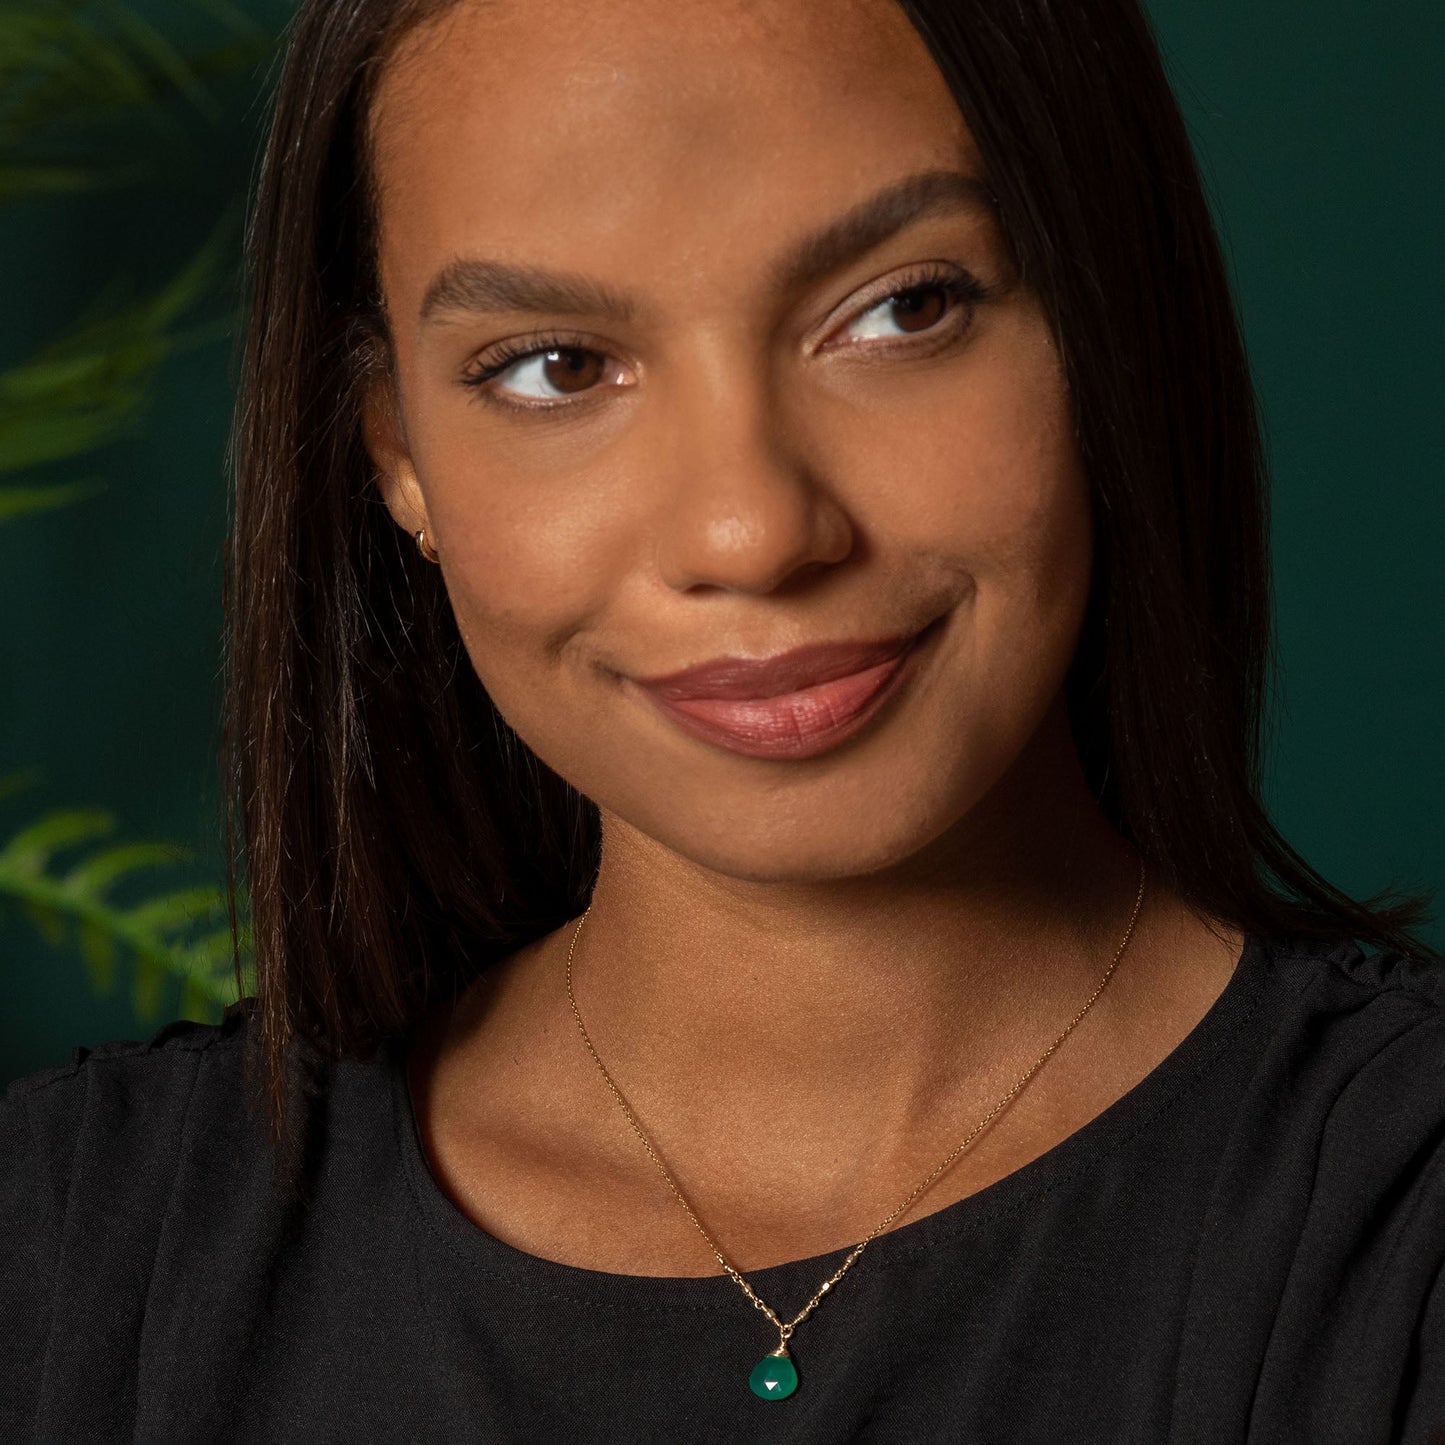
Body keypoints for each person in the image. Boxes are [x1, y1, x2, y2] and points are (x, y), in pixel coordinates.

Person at [3, 0, 1441, 1439]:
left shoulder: (1398, 1220)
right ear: (399, 457)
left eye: (902, 307)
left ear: (1102, 315)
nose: (751, 528)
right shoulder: (74, 1254)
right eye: (558, 365)